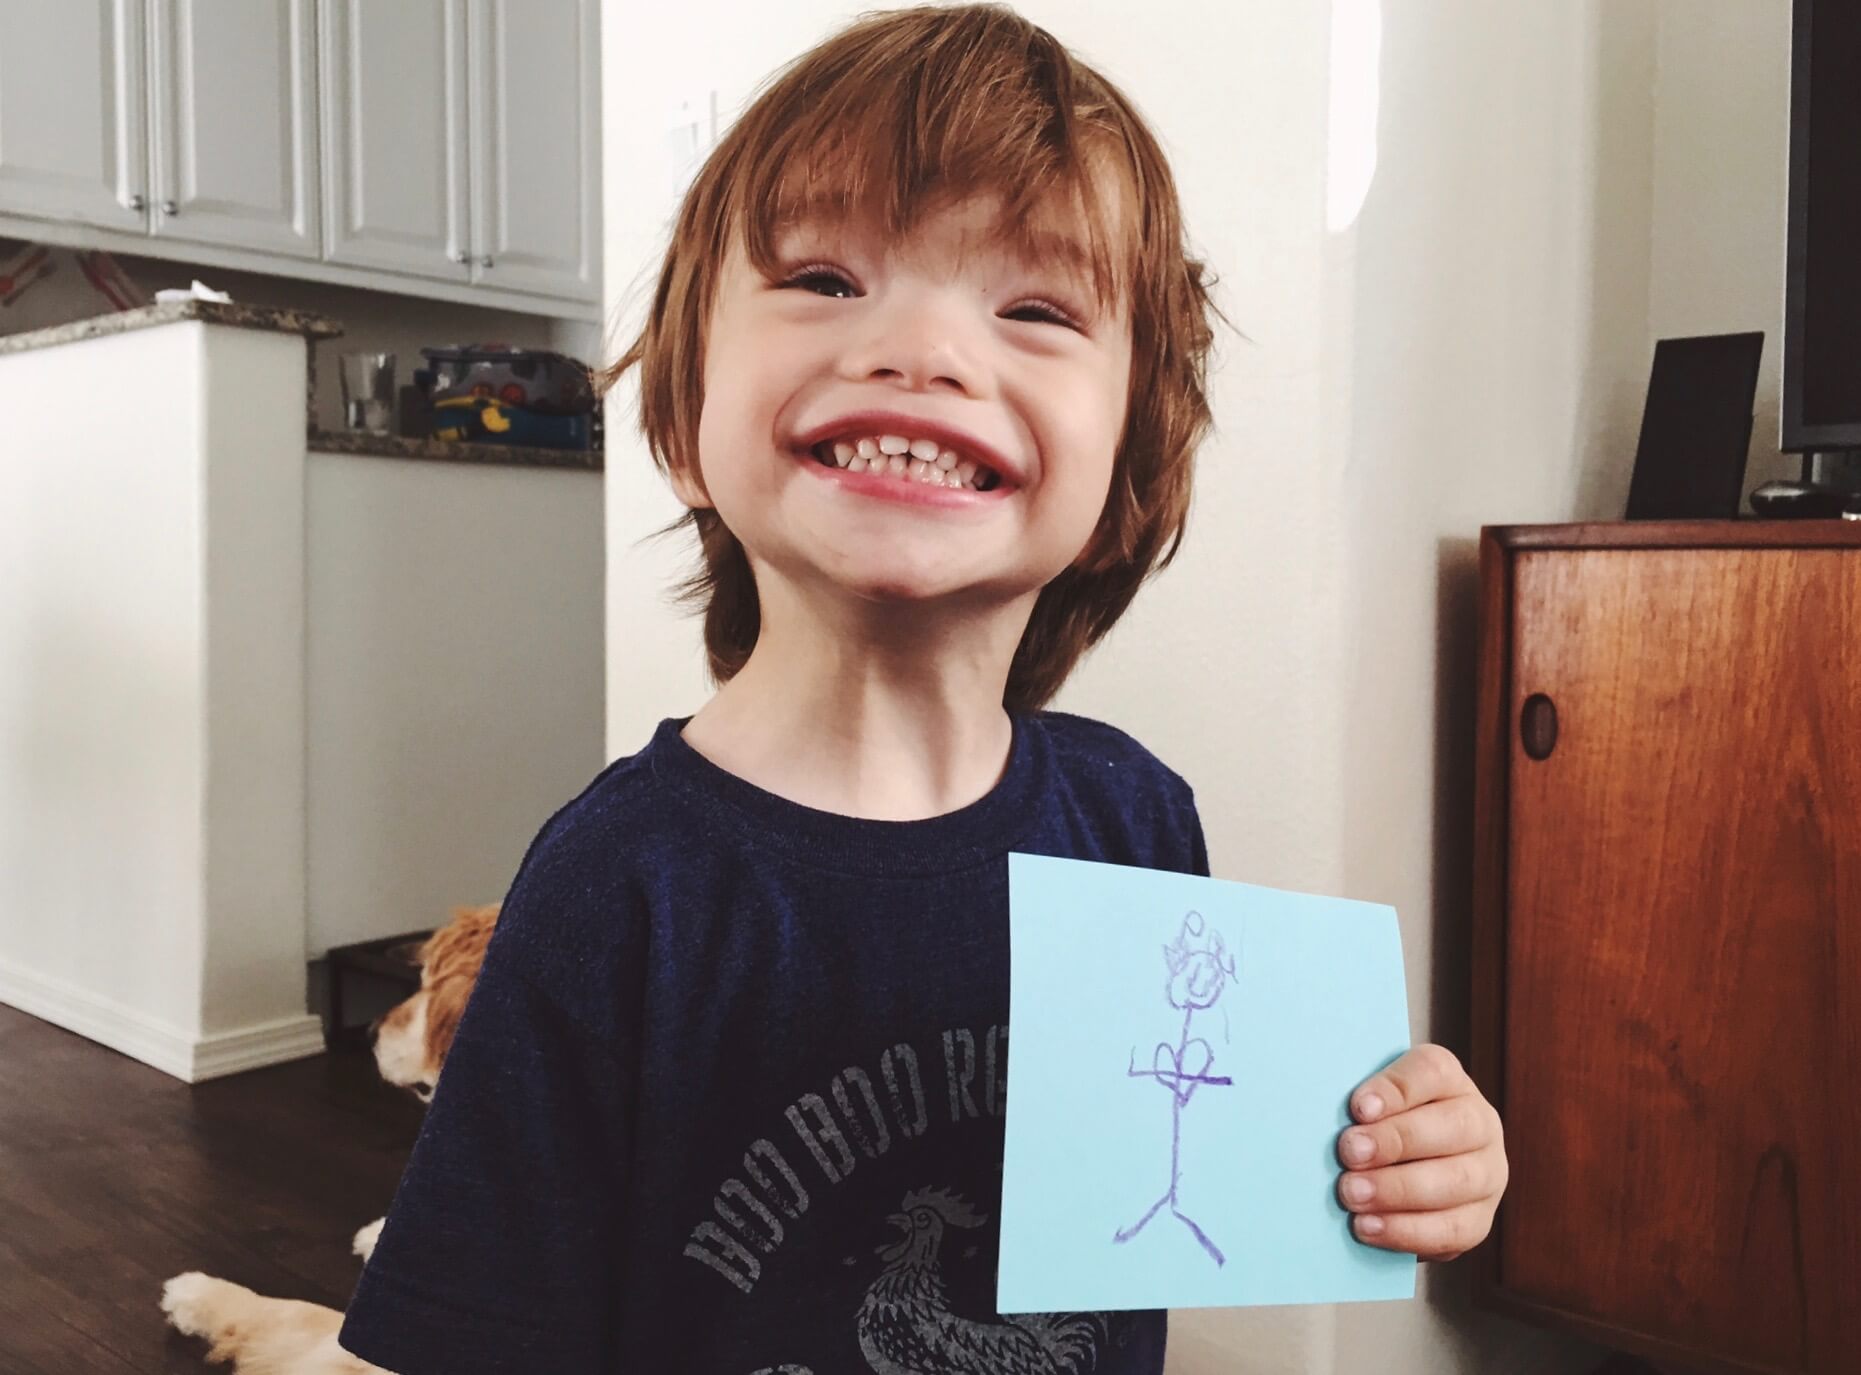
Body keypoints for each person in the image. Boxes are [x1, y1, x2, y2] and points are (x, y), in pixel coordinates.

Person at [337, 5, 1507, 1371]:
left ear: (1125, 477)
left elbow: (1214, 1162)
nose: (925, 350)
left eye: (1034, 308)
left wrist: (1409, 1159)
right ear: (684, 416)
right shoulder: (614, 884)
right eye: (826, 279)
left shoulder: (1135, 822)